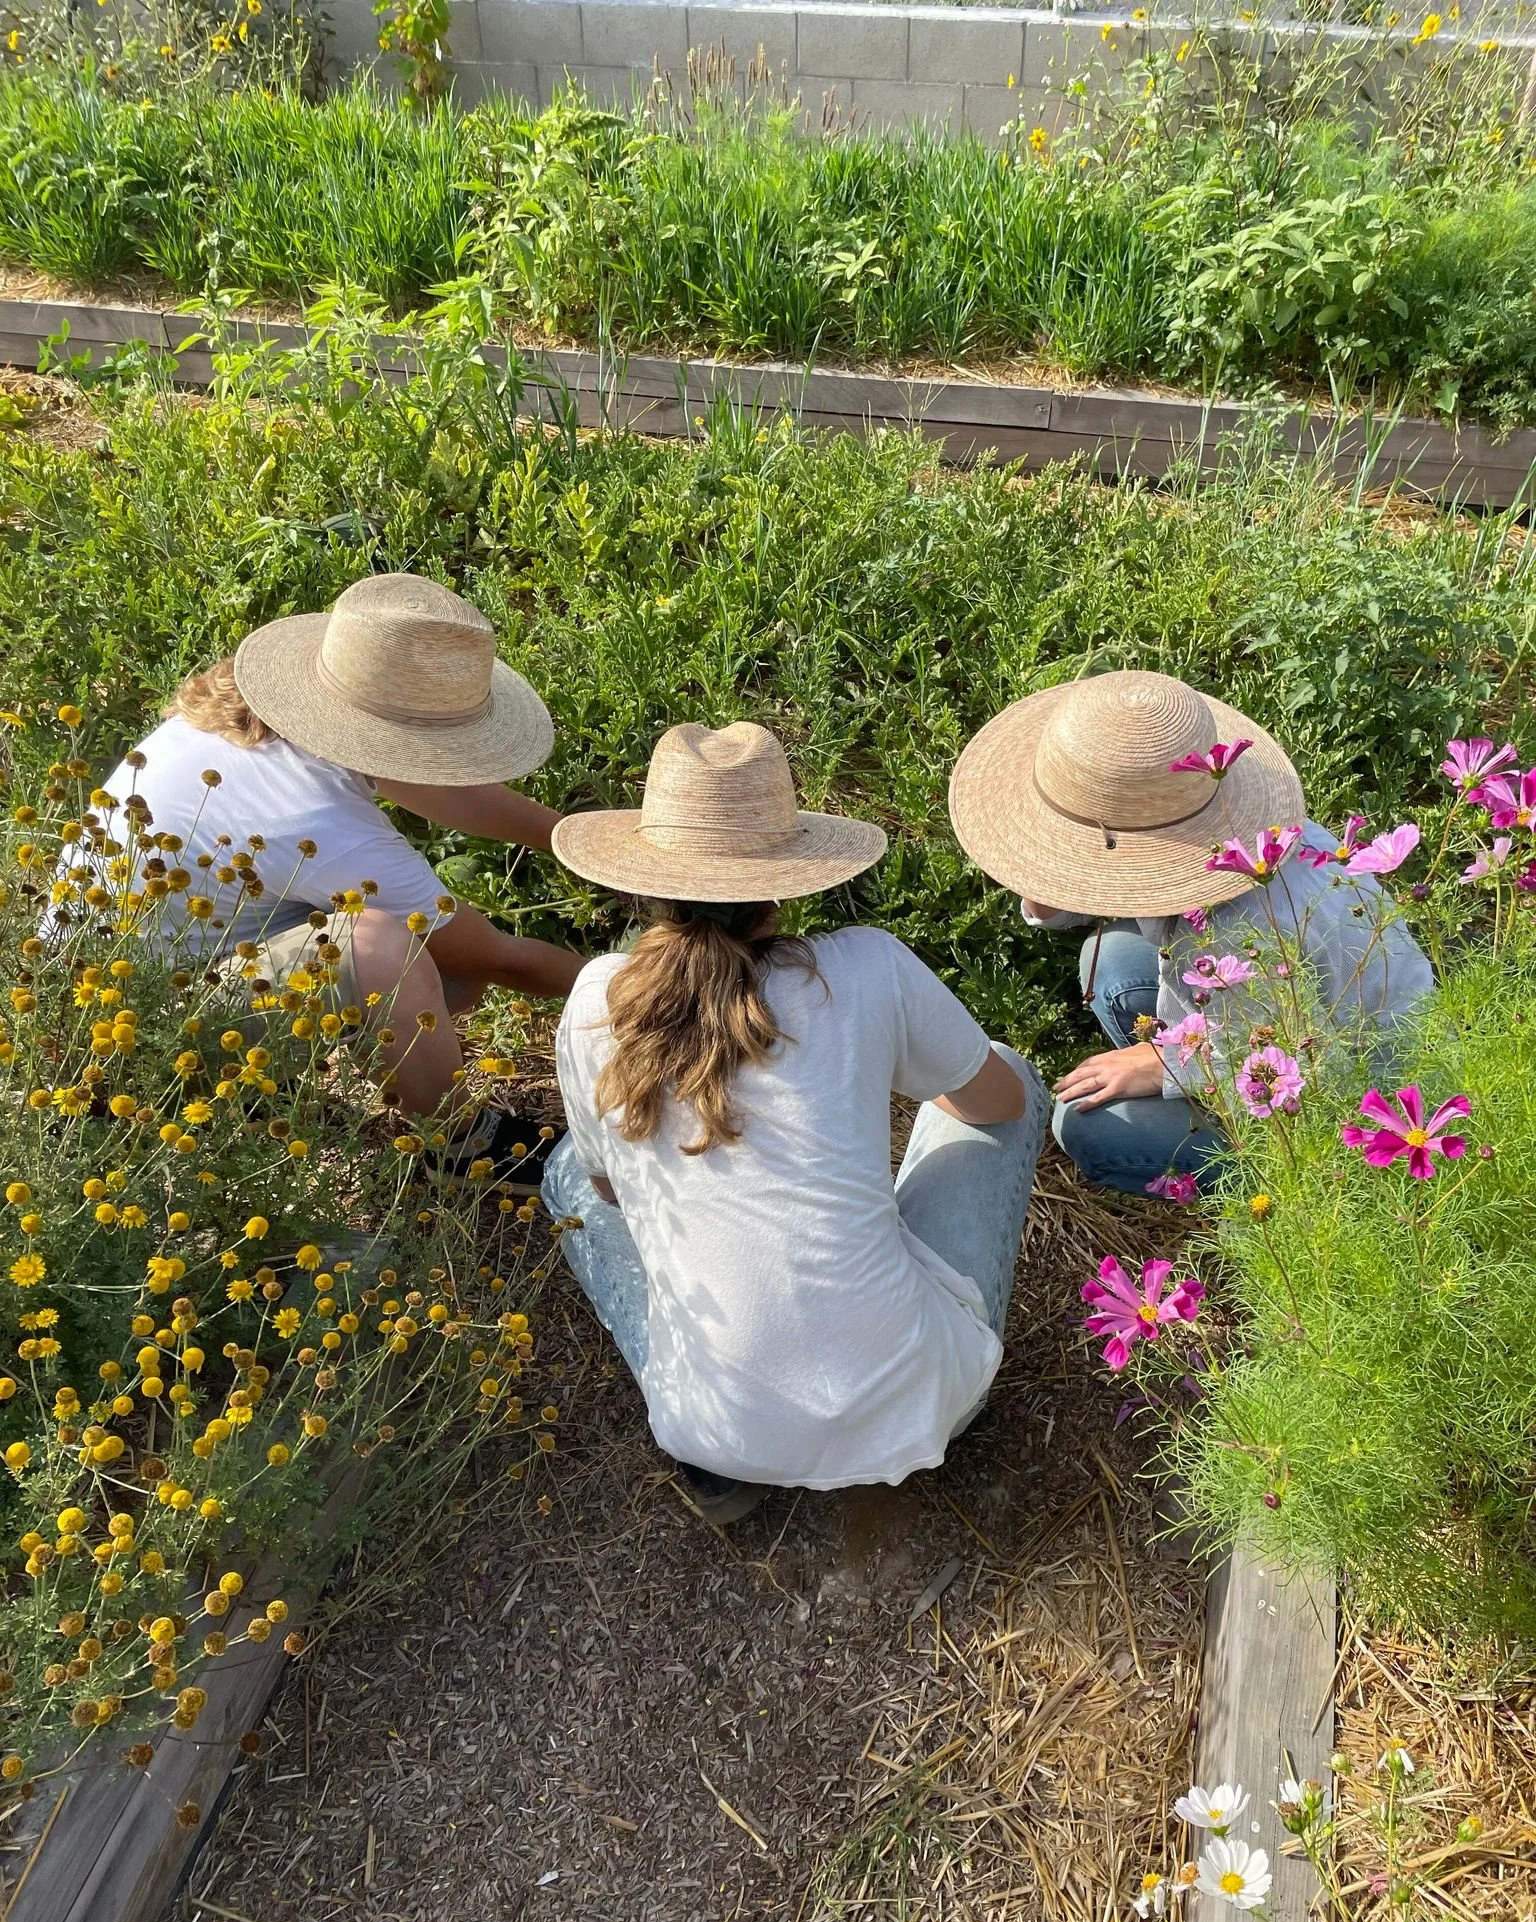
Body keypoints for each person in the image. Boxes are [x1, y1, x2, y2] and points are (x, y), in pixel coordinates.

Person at [543, 720, 1049, 1524]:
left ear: (643, 881)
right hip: (921, 1400)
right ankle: (904, 1371)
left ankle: (723, 1460)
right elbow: (998, 1105)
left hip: (713, 1429)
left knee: (571, 1170)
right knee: (1008, 1071)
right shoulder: (864, 965)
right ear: (786, 880)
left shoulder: (594, 1003)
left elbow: (609, 1193)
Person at [73, 573, 582, 1174]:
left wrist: (578, 841)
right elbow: (492, 957)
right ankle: (457, 1142)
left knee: (427, 964)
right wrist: (642, 989)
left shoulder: (254, 718)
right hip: (130, 1047)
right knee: (387, 946)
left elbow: (444, 789)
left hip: (99, 991)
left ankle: (269, 1081)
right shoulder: (313, 815)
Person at [947, 669, 1433, 1197]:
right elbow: (1115, 884)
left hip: (1354, 1108)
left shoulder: (1238, 928)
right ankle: (1200, 1097)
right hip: (1269, 1015)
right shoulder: (1247, 842)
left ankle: (1266, 1177)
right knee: (1109, 960)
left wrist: (1170, 1064)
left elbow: (1313, 1070)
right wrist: (1048, 877)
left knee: (1087, 1128)